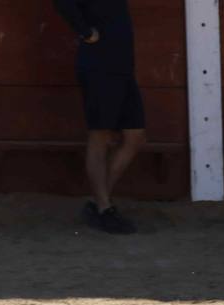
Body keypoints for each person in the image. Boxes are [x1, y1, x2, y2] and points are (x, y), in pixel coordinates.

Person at [53, 0, 145, 234]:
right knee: (100, 135)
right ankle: (104, 208)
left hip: (122, 65)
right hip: (99, 65)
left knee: (135, 136)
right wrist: (85, 32)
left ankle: (98, 203)